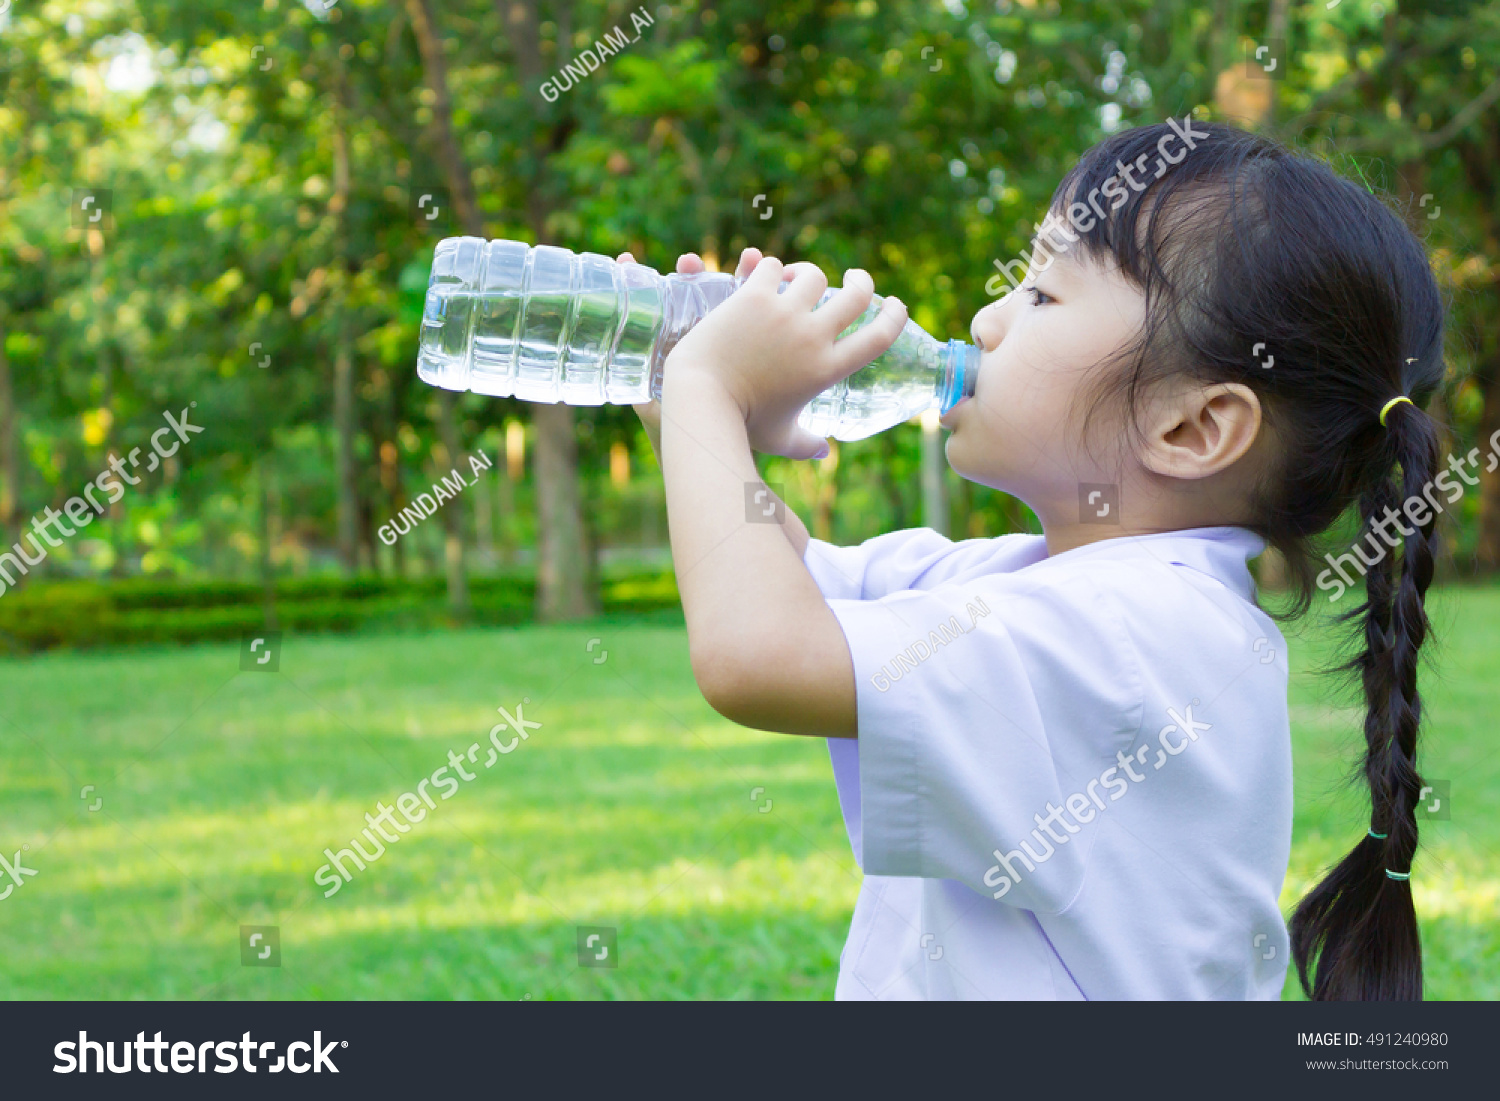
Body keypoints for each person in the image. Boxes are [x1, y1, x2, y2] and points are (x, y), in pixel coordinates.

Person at [623, 119, 1445, 1000]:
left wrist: (712, 386)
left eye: (1043, 295)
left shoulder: (1145, 639)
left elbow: (759, 654)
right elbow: (792, 593)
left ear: (1192, 428)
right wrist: (691, 401)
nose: (985, 319)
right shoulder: (1024, 583)